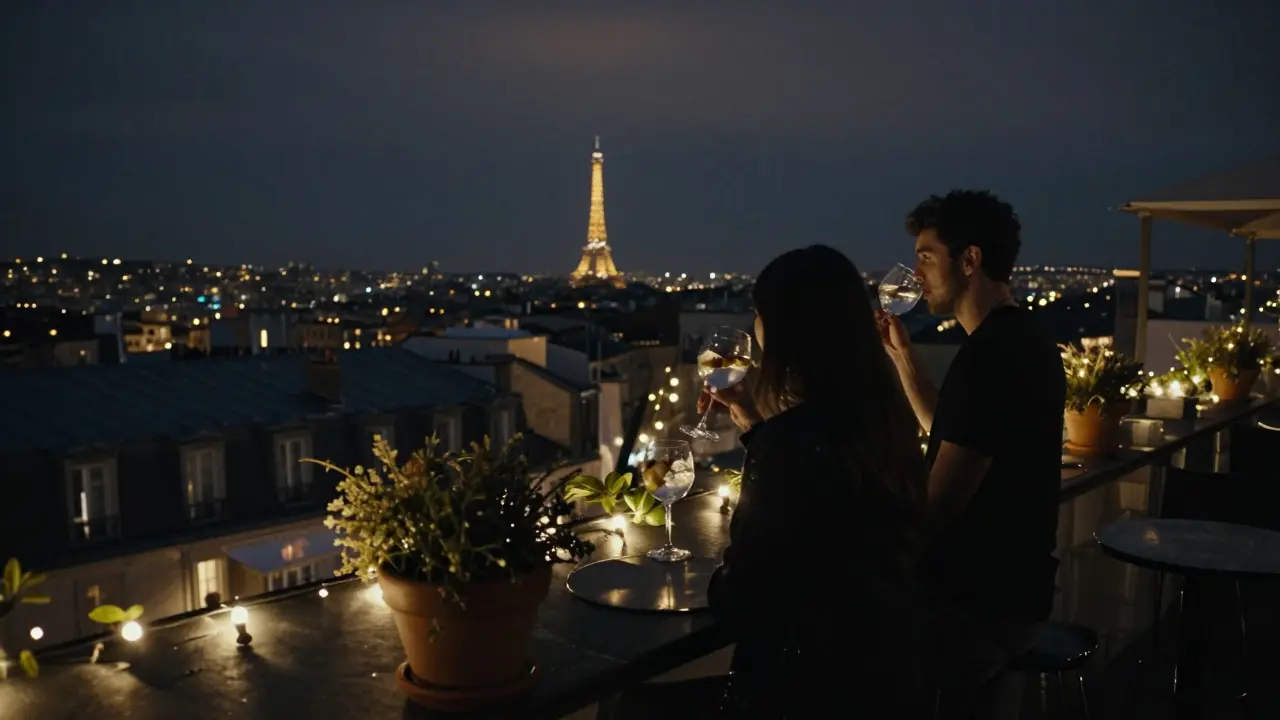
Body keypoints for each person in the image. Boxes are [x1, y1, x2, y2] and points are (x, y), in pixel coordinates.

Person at [599, 245, 932, 719]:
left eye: (759, 314)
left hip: (801, 694)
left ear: (787, 333)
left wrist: (712, 577)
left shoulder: (791, 446)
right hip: (887, 683)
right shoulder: (888, 421)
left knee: (626, 709)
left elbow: (743, 600)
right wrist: (754, 424)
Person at [877, 190, 1065, 719]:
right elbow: (959, 431)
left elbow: (939, 507)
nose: (916, 272)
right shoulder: (1024, 337)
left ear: (970, 260)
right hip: (1020, 593)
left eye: (926, 256)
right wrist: (903, 359)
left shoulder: (988, 358)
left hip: (975, 608)